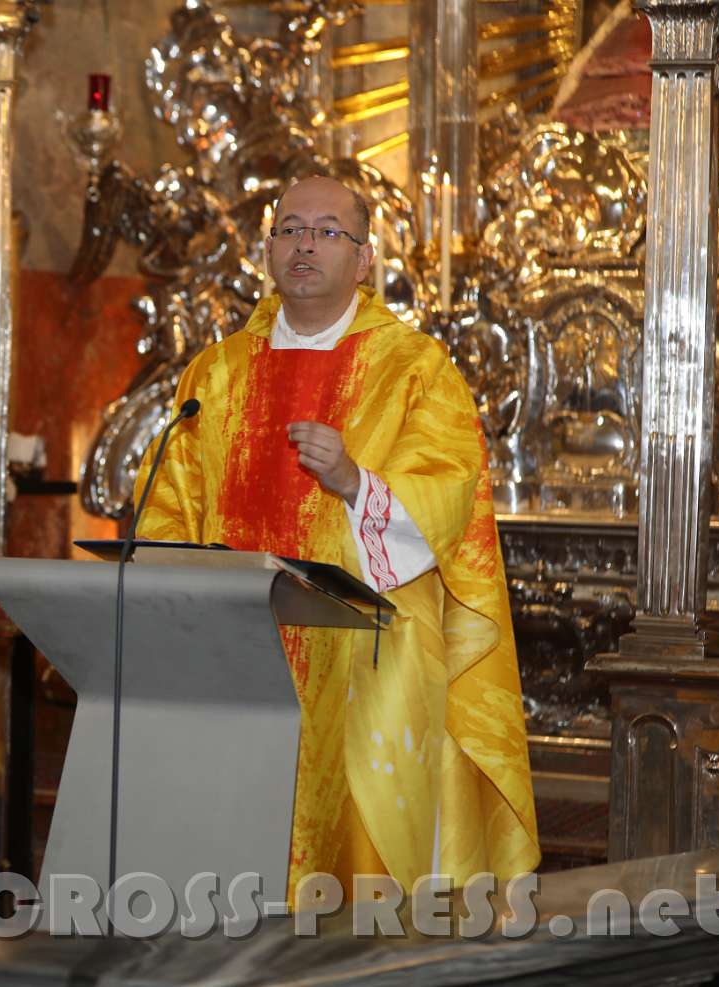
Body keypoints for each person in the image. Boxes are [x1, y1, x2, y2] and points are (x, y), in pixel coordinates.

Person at [135, 175, 539, 902]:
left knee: (361, 889)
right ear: (266, 251)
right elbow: (167, 505)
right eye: (289, 228)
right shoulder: (217, 372)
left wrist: (355, 481)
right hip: (238, 654)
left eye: (327, 231)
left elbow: (451, 503)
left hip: (367, 659)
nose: (304, 244)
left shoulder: (415, 368)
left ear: (364, 260)